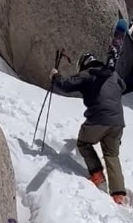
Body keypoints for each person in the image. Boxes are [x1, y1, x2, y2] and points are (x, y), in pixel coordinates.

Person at [51, 52, 128, 204]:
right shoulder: (112, 74)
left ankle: (97, 174)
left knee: (83, 143)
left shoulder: (87, 74)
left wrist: (55, 76)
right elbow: (122, 86)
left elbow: (66, 85)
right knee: (112, 155)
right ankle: (118, 194)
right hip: (117, 122)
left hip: (99, 119)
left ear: (83, 64)